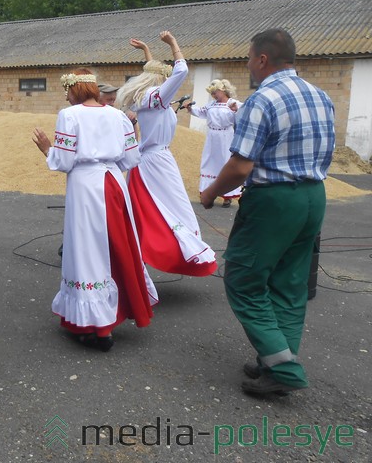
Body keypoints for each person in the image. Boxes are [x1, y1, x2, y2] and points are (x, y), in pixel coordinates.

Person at [201, 28, 335, 396]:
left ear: (262, 59)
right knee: (290, 284)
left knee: (243, 278)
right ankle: (274, 359)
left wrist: (211, 192)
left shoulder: (262, 99)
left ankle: (285, 370)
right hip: (313, 196)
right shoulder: (320, 95)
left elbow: (241, 166)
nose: (247, 65)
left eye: (248, 58)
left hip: (275, 200)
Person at [33, 68, 157, 351]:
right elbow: (131, 158)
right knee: (116, 245)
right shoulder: (118, 115)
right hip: (114, 183)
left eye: (67, 90)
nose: (66, 96)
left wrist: (46, 149)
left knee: (87, 250)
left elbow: (64, 161)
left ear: (74, 90)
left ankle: (95, 327)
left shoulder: (70, 115)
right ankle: (113, 313)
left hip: (86, 187)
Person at [115, 32, 217, 277]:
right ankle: (174, 252)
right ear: (160, 80)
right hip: (157, 161)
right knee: (175, 209)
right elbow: (181, 72)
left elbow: (155, 73)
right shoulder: (156, 98)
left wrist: (147, 51)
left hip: (149, 159)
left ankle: (140, 259)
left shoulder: (146, 97)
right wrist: (173, 44)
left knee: (153, 209)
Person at [186, 79, 243, 207]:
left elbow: (246, 112)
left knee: (225, 162)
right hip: (212, 136)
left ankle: (227, 196)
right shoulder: (211, 104)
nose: (213, 95)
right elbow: (201, 112)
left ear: (223, 90)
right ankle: (206, 192)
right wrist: (191, 108)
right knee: (208, 161)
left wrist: (236, 110)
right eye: (211, 93)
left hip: (226, 137)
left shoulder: (233, 103)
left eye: (215, 92)